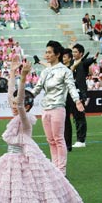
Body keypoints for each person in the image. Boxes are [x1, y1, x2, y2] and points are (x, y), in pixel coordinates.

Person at [0, 56, 85, 203]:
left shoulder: (25, 118)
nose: (14, 105)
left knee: (27, 184)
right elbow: (11, 95)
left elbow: (19, 102)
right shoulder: (17, 114)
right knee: (10, 185)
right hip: (10, 157)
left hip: (23, 156)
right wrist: (11, 72)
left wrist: (23, 79)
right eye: (14, 103)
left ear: (27, 105)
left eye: (19, 103)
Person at [31, 40, 85, 176]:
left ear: (57, 54)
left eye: (49, 52)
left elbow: (72, 87)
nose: (46, 55)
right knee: (50, 140)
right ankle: (54, 167)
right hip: (46, 109)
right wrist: (25, 96)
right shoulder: (45, 72)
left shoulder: (65, 71)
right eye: (46, 52)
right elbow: (36, 89)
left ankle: (61, 169)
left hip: (58, 108)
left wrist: (77, 101)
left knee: (58, 139)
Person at [64, 44, 98, 150]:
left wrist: (93, 59)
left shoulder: (83, 63)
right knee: (68, 118)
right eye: (72, 52)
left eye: (75, 52)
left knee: (79, 117)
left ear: (81, 54)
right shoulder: (69, 64)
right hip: (69, 94)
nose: (73, 54)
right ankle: (69, 140)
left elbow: (88, 61)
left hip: (79, 94)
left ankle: (81, 140)